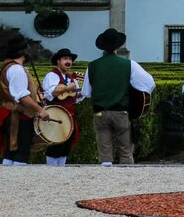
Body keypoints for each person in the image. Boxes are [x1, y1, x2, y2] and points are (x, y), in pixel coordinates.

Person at [80, 28, 156, 166]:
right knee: (126, 152)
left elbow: (86, 92)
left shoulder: (92, 66)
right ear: (118, 46)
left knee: (105, 153)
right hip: (121, 112)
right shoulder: (129, 64)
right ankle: (126, 181)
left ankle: (106, 179)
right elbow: (149, 83)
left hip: (100, 113)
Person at [0, 37, 52, 165]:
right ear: (23, 51)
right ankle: (17, 181)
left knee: (11, 151)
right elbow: (22, 96)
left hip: (11, 113)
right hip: (20, 116)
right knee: (21, 152)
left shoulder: (6, 66)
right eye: (28, 49)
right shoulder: (17, 69)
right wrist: (40, 110)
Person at [40, 47, 81, 166]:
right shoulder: (52, 75)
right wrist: (68, 88)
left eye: (70, 59)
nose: (68, 61)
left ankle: (61, 168)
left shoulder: (72, 78)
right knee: (55, 143)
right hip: (56, 114)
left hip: (69, 115)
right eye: (65, 59)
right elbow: (53, 91)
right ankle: (51, 170)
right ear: (58, 61)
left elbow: (77, 97)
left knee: (66, 145)